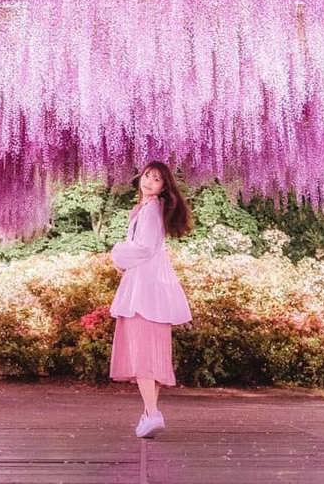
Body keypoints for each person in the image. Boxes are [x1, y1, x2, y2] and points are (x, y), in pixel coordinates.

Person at [109, 161, 193, 438]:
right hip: (152, 288)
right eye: (147, 176)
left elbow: (143, 248)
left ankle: (153, 414)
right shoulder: (148, 209)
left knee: (143, 354)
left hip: (143, 291)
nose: (149, 182)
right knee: (153, 355)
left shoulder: (150, 211)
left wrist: (116, 254)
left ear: (163, 187)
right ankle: (148, 414)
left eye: (156, 180)